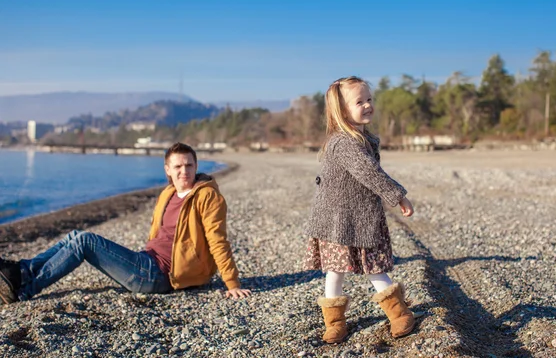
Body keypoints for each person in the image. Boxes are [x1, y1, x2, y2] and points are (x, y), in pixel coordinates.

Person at [0, 142, 250, 304]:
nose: (184, 171)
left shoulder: (208, 197)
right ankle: (23, 271)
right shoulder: (168, 193)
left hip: (162, 276)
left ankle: (25, 290)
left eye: (189, 165)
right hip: (147, 262)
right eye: (178, 166)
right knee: (76, 234)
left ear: (196, 166)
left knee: (85, 241)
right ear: (167, 169)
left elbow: (218, 240)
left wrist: (232, 283)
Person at [304, 76, 415, 343]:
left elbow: (372, 172)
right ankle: (334, 322)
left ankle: (399, 314)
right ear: (342, 110)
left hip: (360, 218)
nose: (367, 106)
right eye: (359, 102)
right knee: (335, 271)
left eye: (369, 100)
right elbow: (370, 174)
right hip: (335, 221)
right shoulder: (343, 143)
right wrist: (398, 195)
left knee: (373, 266)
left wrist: (393, 192)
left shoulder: (361, 138)